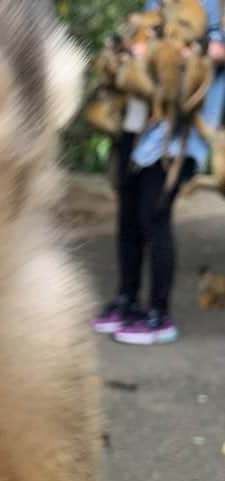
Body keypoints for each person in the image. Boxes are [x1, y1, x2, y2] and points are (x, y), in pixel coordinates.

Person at [92, 0, 225, 345]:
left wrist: (192, 53)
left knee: (155, 215)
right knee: (128, 216)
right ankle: (127, 299)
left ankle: (159, 314)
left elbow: (217, 50)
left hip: (180, 132)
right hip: (137, 120)